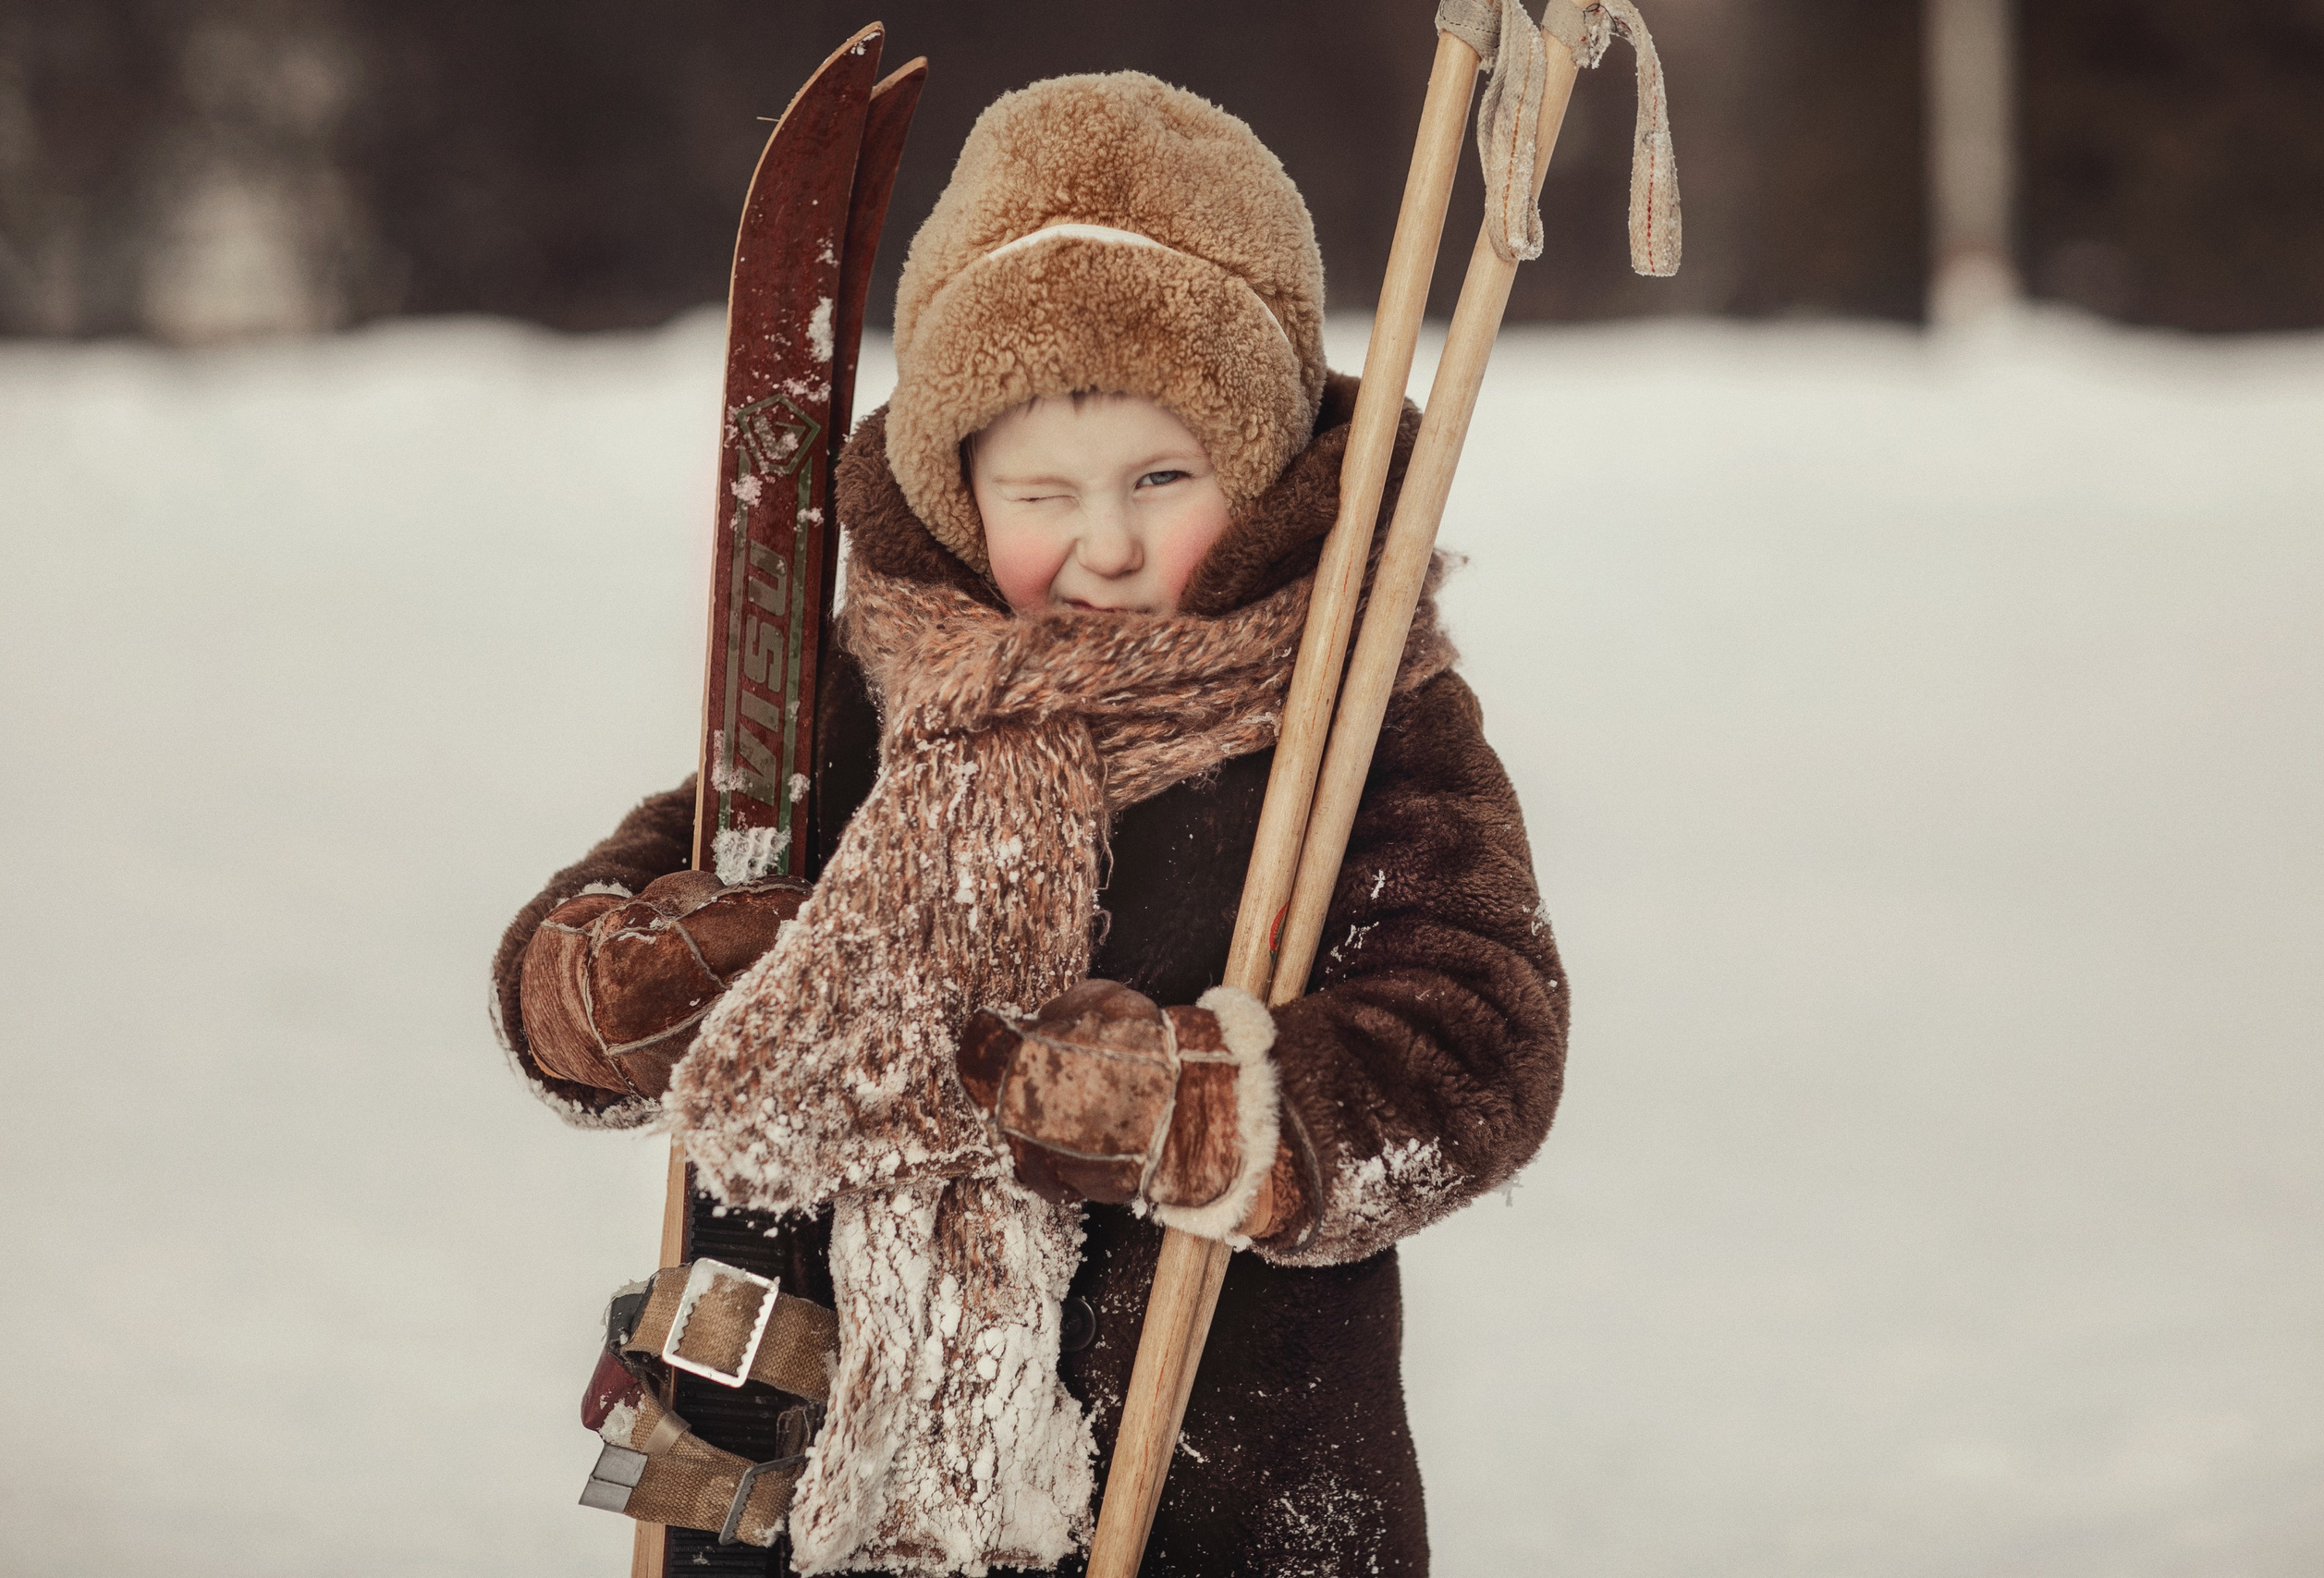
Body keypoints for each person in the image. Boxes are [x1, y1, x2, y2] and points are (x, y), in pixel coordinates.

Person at [491, 70, 1567, 1577]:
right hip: (802, 1476)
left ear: (1258, 476)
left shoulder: (1349, 719)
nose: (1105, 544)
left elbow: (1479, 1045)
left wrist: (1205, 1114)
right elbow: (624, 907)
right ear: (955, 491)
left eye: (1162, 477)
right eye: (1041, 492)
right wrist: (596, 994)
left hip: (1210, 1489)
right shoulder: (865, 691)